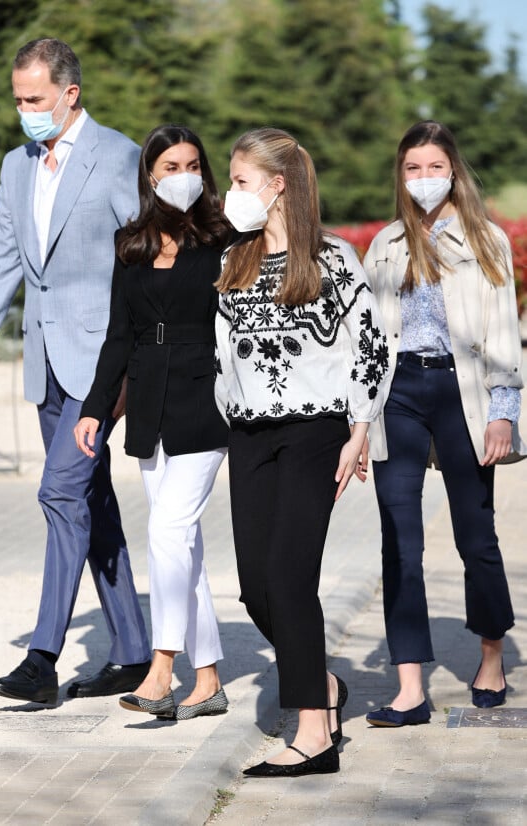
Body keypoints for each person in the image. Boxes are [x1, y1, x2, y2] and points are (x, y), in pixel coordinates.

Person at [0, 38, 152, 705]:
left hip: (102, 366)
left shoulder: (119, 156)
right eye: (17, 100)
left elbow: (150, 257)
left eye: (34, 100)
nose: (23, 112)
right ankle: (132, 650)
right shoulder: (16, 167)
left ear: (70, 93)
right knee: (91, 502)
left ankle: (41, 660)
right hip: (44, 363)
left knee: (60, 495)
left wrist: (142, 360)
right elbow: (1, 263)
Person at [214, 127, 390, 776]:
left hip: (314, 434)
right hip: (248, 436)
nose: (231, 193)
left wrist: (361, 428)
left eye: (239, 181)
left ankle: (313, 733)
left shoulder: (334, 259)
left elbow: (371, 346)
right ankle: (324, 684)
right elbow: (218, 356)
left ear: (276, 185)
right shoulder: (232, 262)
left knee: (291, 578)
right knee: (257, 589)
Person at [362, 120, 526, 728]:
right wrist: (361, 422)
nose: (424, 179)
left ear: (452, 170)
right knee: (398, 541)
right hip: (397, 395)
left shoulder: (485, 240)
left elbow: (503, 332)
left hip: (464, 397)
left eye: (434, 167)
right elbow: (368, 341)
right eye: (412, 168)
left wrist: (504, 414)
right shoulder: (385, 244)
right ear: (401, 176)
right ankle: (410, 686)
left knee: (475, 537)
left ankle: (490, 654)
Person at [74, 124, 232, 720]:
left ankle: (163, 667)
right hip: (148, 403)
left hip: (204, 400)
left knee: (167, 533)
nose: (184, 174)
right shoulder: (130, 243)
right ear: (150, 175)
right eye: (171, 165)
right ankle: (210, 678)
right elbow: (119, 335)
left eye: (193, 164)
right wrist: (95, 409)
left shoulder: (223, 238)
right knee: (180, 547)